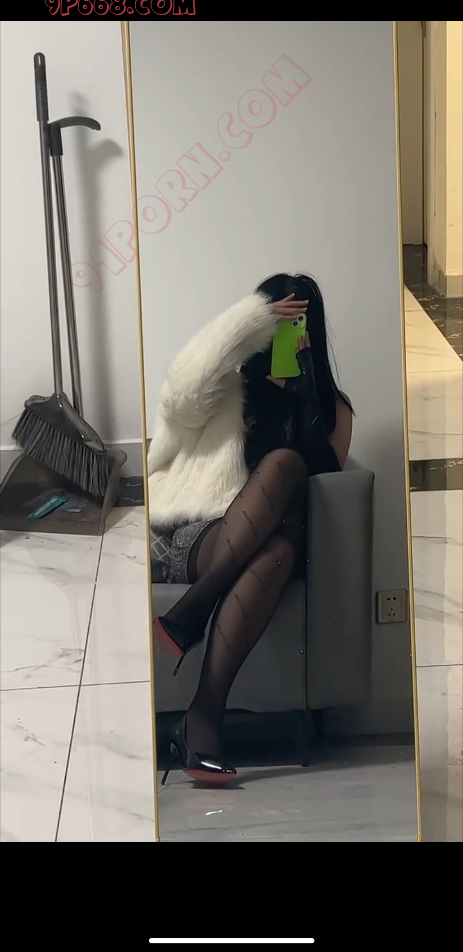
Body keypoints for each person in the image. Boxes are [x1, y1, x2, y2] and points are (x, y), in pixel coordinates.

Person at [148, 274, 353, 785]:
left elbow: (325, 479)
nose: (284, 333)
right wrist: (246, 324)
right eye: (276, 319)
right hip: (204, 535)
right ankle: (201, 722)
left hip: (282, 541)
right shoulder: (226, 390)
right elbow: (178, 392)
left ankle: (192, 614)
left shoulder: (333, 408)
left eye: (296, 323)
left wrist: (304, 395)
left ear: (311, 331)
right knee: (275, 543)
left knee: (282, 502)